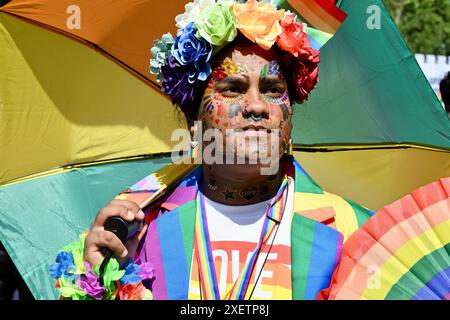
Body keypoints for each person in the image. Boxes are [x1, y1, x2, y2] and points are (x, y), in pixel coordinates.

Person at [49, 0, 374, 300]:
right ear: (194, 118)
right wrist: (98, 282)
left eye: (273, 89)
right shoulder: (135, 227)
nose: (257, 106)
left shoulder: (354, 233)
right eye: (233, 89)